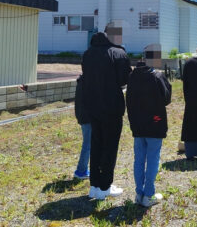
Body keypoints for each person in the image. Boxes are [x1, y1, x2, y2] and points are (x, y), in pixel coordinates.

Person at [82, 32, 132, 200]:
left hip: (92, 106)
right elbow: (125, 79)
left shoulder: (88, 54)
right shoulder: (118, 53)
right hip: (112, 107)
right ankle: (105, 186)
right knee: (110, 147)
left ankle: (94, 186)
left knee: (96, 145)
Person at [126, 58, 172, 207]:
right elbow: (166, 99)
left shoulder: (132, 76)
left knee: (139, 158)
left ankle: (139, 193)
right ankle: (149, 194)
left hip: (137, 123)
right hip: (155, 122)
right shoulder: (157, 76)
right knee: (153, 157)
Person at [73, 74, 91, 179]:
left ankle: (83, 169)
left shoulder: (81, 82)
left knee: (87, 144)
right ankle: (81, 170)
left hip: (82, 116)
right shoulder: (89, 83)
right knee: (87, 145)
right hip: (88, 118)